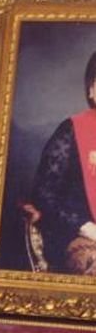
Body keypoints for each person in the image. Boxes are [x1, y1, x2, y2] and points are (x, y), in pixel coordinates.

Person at [32, 51, 96, 274]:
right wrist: (86, 227)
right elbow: (44, 194)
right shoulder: (72, 130)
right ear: (91, 89)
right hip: (81, 235)